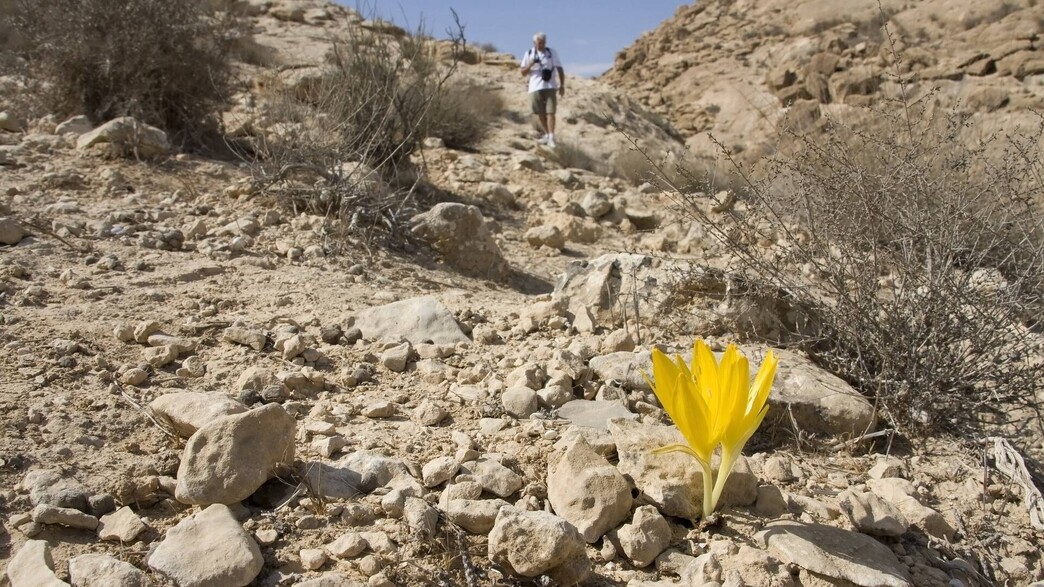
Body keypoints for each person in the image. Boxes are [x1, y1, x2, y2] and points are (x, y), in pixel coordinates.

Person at [519, 32, 565, 148]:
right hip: (535, 87)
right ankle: (547, 134)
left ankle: (551, 136)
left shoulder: (551, 53)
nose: (541, 45)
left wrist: (562, 85)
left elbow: (559, 68)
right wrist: (531, 64)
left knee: (551, 112)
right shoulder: (529, 53)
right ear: (534, 43)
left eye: (543, 43)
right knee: (540, 112)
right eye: (539, 43)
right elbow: (523, 73)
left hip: (550, 86)